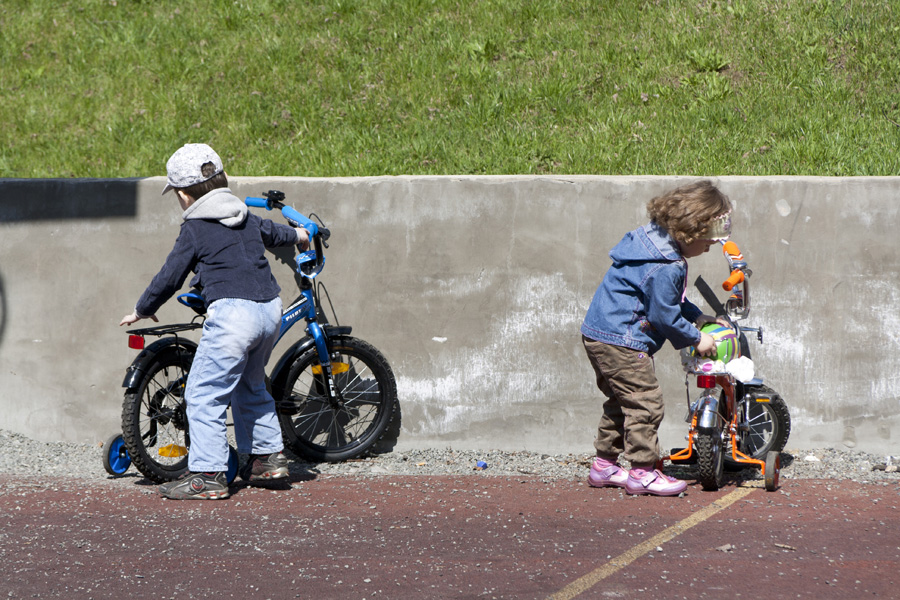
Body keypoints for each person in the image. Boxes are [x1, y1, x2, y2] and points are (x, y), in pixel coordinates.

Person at [119, 143, 309, 500]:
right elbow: (276, 233)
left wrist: (142, 308)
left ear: (184, 196)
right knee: (251, 385)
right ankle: (268, 459)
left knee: (204, 393)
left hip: (233, 316)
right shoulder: (246, 217)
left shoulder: (194, 228)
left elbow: (170, 275)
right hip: (269, 309)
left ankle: (207, 475)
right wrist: (302, 235)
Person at [580, 180, 732, 496]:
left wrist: (695, 316)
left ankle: (604, 465)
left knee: (621, 402)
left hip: (600, 333)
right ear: (690, 232)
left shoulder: (649, 242)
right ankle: (642, 472)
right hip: (623, 340)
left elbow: (666, 300)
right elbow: (664, 315)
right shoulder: (668, 265)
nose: (709, 247)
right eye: (707, 240)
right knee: (646, 402)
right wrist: (696, 338)